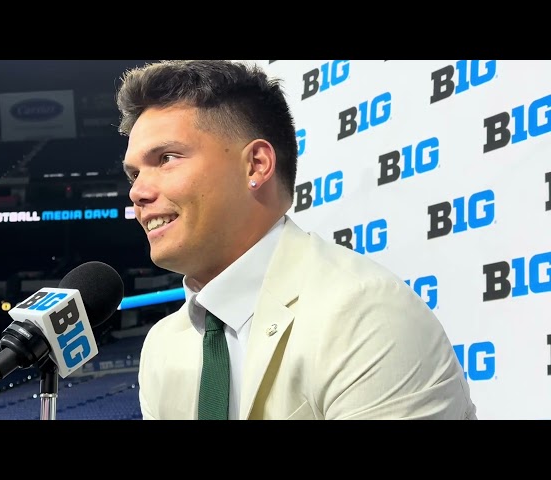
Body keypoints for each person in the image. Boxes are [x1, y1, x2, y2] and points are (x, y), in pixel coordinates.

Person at [116, 59, 478, 420]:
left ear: (256, 165)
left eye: (166, 158)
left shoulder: (366, 316)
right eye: (134, 174)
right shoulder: (163, 345)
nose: (138, 193)